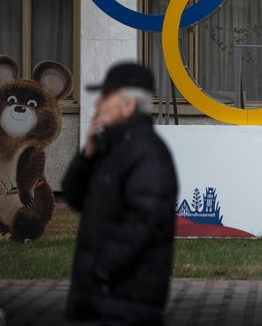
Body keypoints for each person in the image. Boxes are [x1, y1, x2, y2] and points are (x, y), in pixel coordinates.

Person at [62, 62, 178, 326]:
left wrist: (101, 271)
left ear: (129, 105)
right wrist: (88, 152)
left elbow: (144, 223)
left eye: (106, 97)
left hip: (125, 301)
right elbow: (73, 195)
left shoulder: (147, 153)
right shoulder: (110, 148)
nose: (97, 105)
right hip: (101, 299)